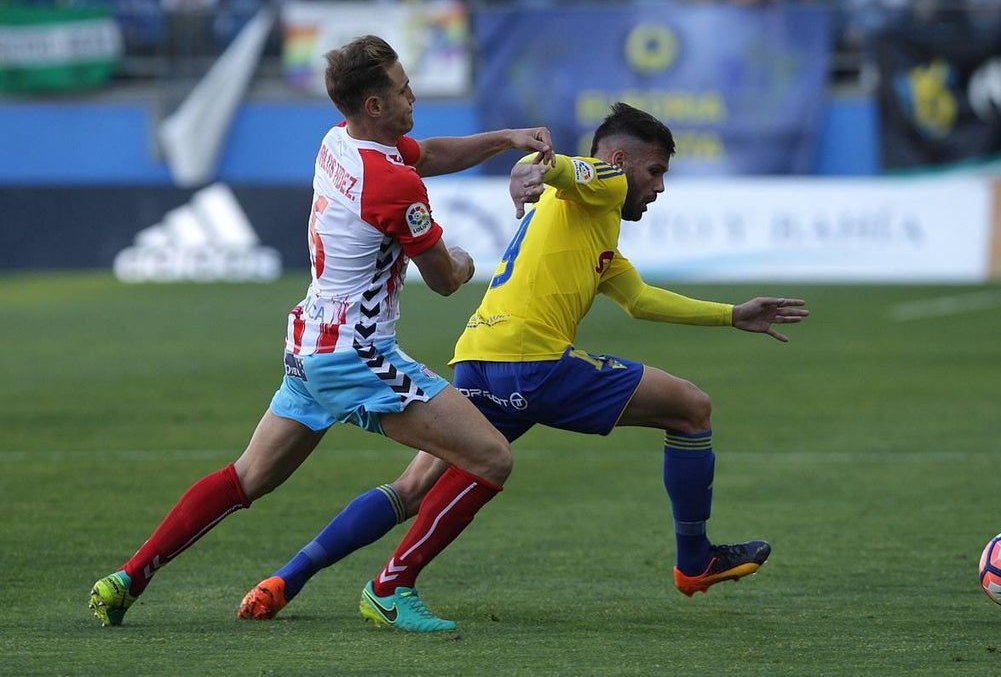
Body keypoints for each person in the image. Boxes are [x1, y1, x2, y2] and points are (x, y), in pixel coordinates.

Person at [237, 102, 810, 630]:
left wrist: (732, 314)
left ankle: (286, 579)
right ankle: (694, 560)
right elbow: (575, 172)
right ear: (620, 162)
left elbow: (637, 299)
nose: (658, 187)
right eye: (654, 171)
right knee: (691, 409)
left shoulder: (586, 223)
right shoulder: (604, 183)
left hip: (479, 359)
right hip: (532, 365)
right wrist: (542, 167)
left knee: (412, 486)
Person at [87, 35, 555, 632]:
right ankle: (392, 589)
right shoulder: (392, 185)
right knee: (491, 457)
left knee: (246, 478)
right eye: (402, 86)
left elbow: (429, 153)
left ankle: (128, 577)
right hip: (357, 354)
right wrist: (466, 256)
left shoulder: (338, 139)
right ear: (376, 106)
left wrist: (504, 139)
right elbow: (444, 279)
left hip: (310, 345)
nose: (413, 93)